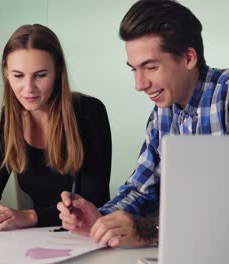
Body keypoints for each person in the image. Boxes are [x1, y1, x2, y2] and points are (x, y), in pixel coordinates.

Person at [58, 0, 229, 248]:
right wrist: (102, 219)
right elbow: (142, 188)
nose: (139, 84)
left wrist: (151, 229)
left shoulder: (225, 96)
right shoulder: (162, 113)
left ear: (188, 58)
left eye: (150, 67)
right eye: (134, 70)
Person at [0, 24, 112, 231]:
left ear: (58, 70)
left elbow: (95, 200)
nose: (28, 89)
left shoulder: (89, 112)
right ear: (6, 72)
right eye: (18, 76)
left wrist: (29, 215)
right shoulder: (8, 120)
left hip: (87, 235)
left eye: (40, 75)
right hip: (40, 237)